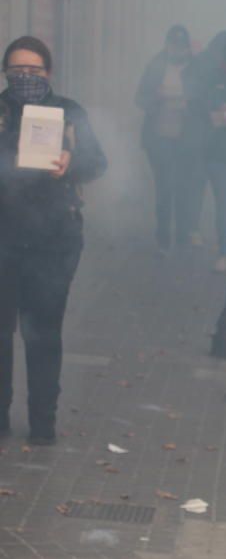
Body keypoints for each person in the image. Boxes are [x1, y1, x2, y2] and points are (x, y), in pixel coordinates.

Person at [0, 36, 107, 444]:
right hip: (3, 238)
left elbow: (98, 161)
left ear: (49, 72)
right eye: (16, 70)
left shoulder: (68, 112)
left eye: (34, 70)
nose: (25, 77)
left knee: (43, 332)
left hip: (53, 240)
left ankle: (43, 422)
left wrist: (70, 162)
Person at [135, 25, 198, 253]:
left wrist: (189, 104)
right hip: (158, 137)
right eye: (173, 45)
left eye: (181, 46)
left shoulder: (196, 68)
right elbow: (140, 99)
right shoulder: (155, 66)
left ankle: (182, 236)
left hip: (186, 138)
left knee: (183, 188)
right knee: (164, 188)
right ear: (167, 45)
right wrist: (156, 97)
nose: (177, 51)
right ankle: (162, 237)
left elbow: (205, 101)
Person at [188, 32, 226, 273]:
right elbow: (196, 103)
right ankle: (224, 250)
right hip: (218, 150)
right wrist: (210, 116)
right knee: (224, 201)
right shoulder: (211, 76)